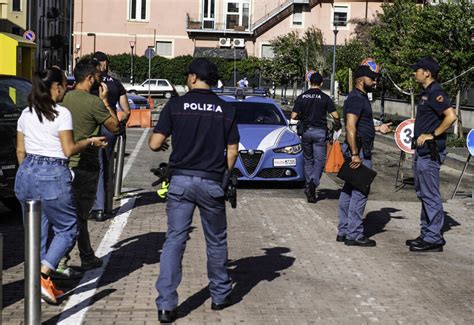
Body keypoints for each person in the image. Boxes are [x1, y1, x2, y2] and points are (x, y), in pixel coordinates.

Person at [149, 58, 239, 323]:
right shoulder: (225, 109)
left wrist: (166, 145)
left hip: (179, 182)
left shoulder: (176, 105)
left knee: (174, 240)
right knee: (216, 241)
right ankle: (220, 295)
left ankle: (166, 305)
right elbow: (233, 150)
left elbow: (155, 144)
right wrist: (224, 171)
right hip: (211, 182)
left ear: (192, 78)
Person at [14, 67, 107, 304]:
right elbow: (69, 149)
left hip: (26, 173)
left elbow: (20, 151)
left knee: (37, 232)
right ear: (55, 87)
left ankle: (41, 282)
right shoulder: (61, 113)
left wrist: (29, 172)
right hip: (53, 172)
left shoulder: (26, 113)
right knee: (68, 227)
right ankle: (43, 275)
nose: (67, 88)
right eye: (65, 84)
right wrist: (89, 141)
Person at [58, 59, 119, 274]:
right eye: (99, 77)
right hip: (85, 164)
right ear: (91, 78)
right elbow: (114, 125)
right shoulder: (93, 102)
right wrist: (105, 101)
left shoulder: (62, 98)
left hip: (61, 164)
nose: (100, 80)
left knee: (68, 214)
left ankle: (85, 256)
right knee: (79, 216)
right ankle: (61, 260)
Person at [336, 62, 392, 247]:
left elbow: (361, 126)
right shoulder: (356, 99)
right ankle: (354, 234)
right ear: (361, 78)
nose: (375, 82)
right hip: (358, 150)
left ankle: (344, 230)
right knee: (360, 191)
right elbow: (350, 127)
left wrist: (378, 128)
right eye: (372, 78)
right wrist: (354, 154)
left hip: (358, 148)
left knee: (349, 189)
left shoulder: (359, 97)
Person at [407, 57, 457, 252]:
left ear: (427, 73)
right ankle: (426, 233)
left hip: (430, 153)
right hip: (422, 152)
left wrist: (433, 135)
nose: (414, 73)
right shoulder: (426, 93)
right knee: (423, 193)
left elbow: (451, 116)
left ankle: (434, 238)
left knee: (430, 195)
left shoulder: (436, 92)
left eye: (417, 70)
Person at [89, 51, 131, 222]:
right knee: (107, 166)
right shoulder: (116, 83)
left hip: (92, 125)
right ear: (106, 63)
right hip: (110, 125)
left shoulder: (90, 82)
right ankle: (107, 206)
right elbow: (126, 111)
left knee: (94, 167)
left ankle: (97, 207)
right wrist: (120, 121)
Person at [291, 72, 341, 203]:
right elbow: (335, 115)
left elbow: (293, 116)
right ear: (322, 83)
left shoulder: (302, 97)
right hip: (320, 132)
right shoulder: (325, 97)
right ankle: (313, 183)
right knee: (319, 160)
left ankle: (309, 186)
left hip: (306, 132)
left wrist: (303, 117)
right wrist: (337, 124)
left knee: (308, 160)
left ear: (309, 82)